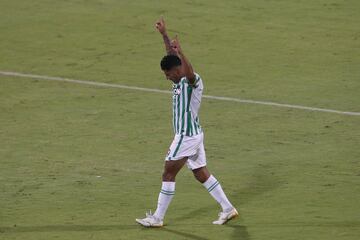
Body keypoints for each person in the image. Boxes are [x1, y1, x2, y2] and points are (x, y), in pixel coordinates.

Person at [135, 17, 238, 227]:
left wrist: (181, 52)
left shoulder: (192, 81)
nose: (166, 77)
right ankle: (228, 209)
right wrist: (164, 35)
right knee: (201, 174)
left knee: (168, 172)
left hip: (187, 136)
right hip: (194, 135)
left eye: (167, 73)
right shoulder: (177, 76)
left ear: (177, 70)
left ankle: (157, 218)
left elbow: (188, 71)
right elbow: (171, 56)